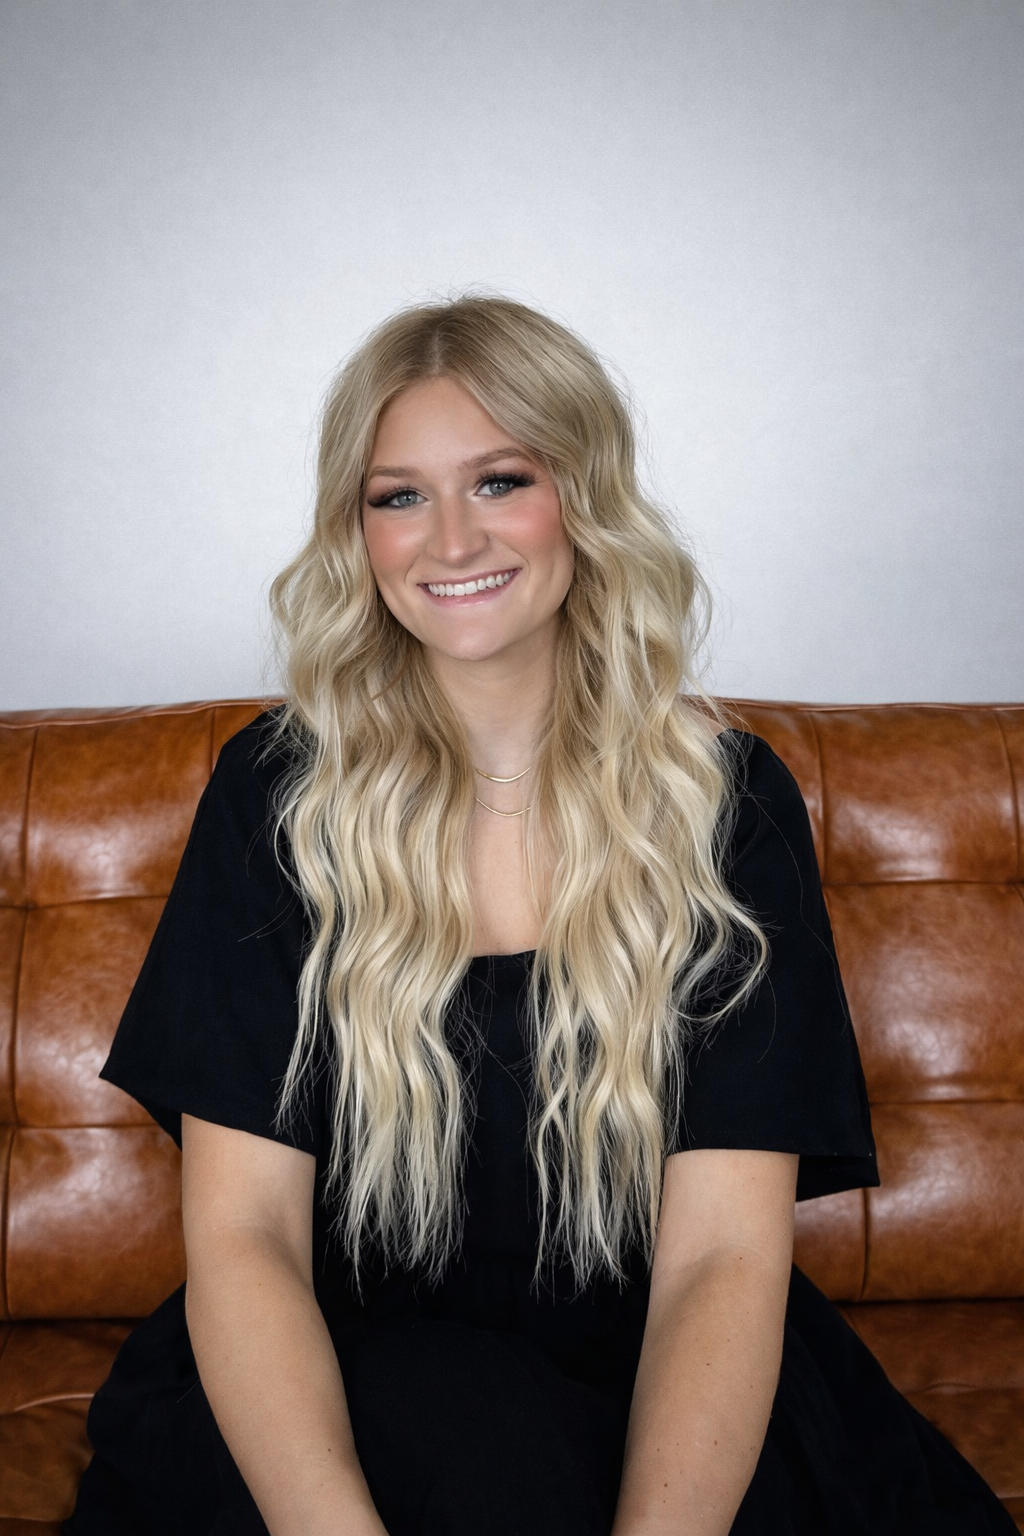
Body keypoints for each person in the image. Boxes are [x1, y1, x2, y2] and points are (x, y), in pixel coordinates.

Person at [66, 297, 1015, 1536]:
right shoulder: (276, 799)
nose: (447, 537)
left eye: (499, 480)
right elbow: (245, 1240)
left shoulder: (725, 803)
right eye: (396, 495)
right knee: (474, 1445)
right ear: (356, 535)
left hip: (668, 1372)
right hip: (342, 1379)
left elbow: (724, 1260)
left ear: (582, 493)